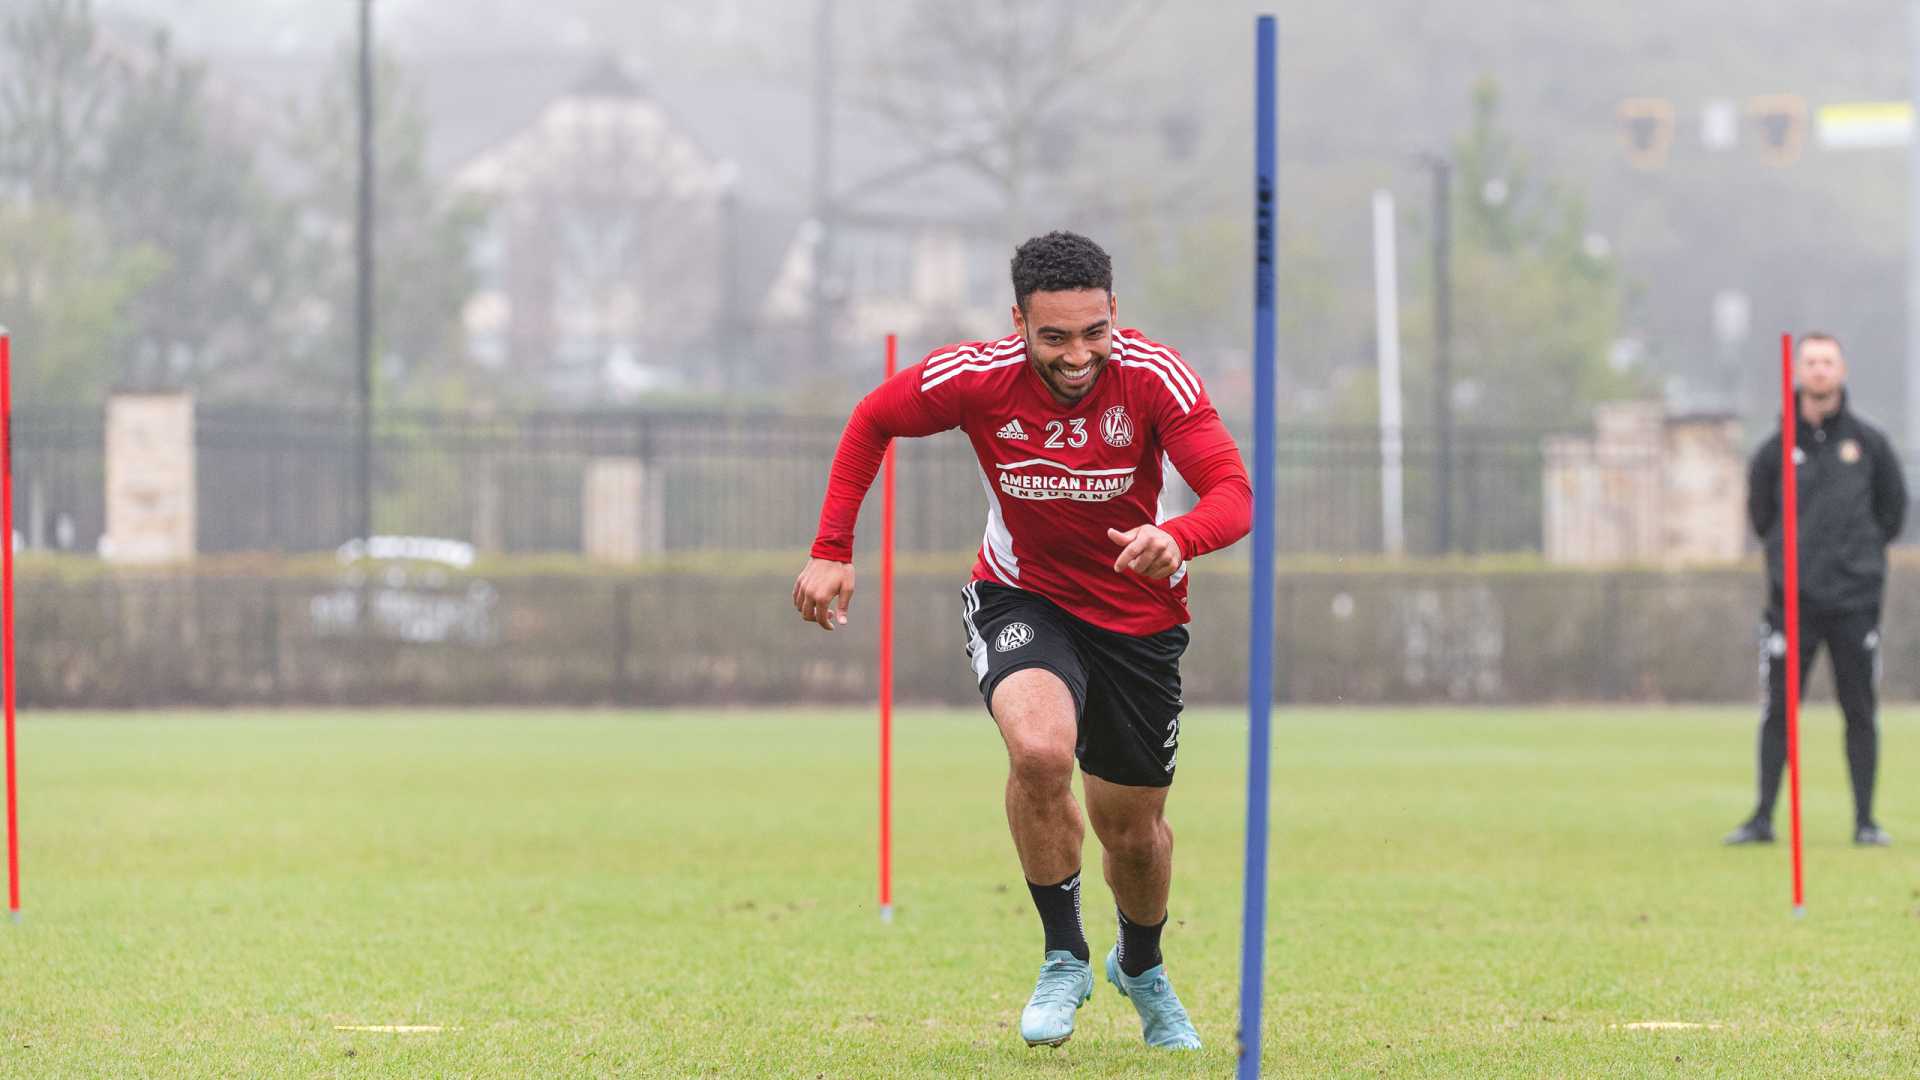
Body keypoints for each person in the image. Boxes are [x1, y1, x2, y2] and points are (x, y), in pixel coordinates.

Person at [793, 231, 1251, 1049]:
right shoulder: (974, 378)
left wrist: (1179, 537)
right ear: (1019, 323)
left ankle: (1139, 964)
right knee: (1039, 752)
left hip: (1140, 620)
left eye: (1093, 332)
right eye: (1055, 338)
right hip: (1022, 596)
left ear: (1116, 313)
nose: (1078, 355)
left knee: (1134, 835)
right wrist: (832, 549)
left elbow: (1233, 492)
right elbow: (872, 420)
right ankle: (1065, 956)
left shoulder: (1155, 377)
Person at [1726, 332, 1906, 847]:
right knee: (1778, 712)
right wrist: (1791, 565)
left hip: (1854, 604)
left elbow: (1892, 513)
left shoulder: (1869, 446)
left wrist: (1858, 561)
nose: (1820, 371)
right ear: (1798, 372)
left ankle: (1865, 821)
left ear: (1842, 370)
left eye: (1828, 362)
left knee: (1859, 710)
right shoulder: (1774, 450)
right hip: (1791, 607)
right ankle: (1762, 817)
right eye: (1811, 362)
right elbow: (1762, 516)